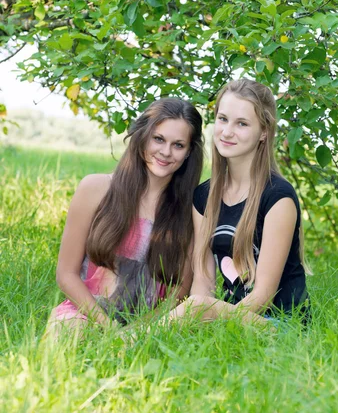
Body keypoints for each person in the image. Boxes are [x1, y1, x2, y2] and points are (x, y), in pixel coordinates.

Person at [45, 97, 203, 339]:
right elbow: (66, 274)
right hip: (86, 313)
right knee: (68, 337)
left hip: (150, 325)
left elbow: (179, 292)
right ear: (142, 137)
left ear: (189, 151)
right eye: (158, 139)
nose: (166, 152)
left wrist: (137, 331)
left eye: (178, 145)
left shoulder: (189, 210)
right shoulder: (95, 188)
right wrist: (108, 329)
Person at [167, 79, 310, 326]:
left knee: (197, 306)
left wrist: (209, 316)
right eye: (222, 119)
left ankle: (128, 345)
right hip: (234, 319)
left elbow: (262, 297)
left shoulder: (278, 197)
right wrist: (202, 321)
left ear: (264, 132)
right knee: (197, 305)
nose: (227, 131)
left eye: (241, 123)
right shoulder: (204, 196)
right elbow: (203, 283)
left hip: (280, 325)